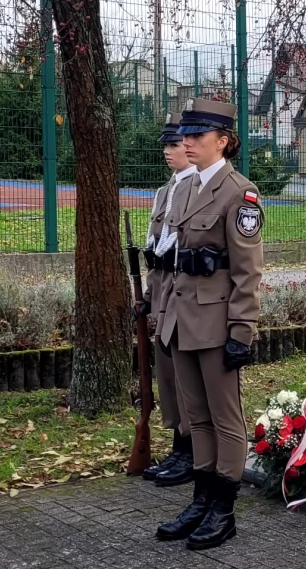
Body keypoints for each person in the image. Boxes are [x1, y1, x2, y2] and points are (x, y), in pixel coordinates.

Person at [154, 98, 263, 551]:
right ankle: (201, 498)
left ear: (223, 141)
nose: (188, 142)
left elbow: (247, 270)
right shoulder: (182, 188)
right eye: (187, 135)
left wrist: (242, 330)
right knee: (196, 417)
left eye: (198, 135)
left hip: (217, 324)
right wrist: (162, 316)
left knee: (224, 418)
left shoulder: (240, 192)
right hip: (181, 321)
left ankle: (223, 506)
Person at [139, 112, 197, 487]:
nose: (168, 151)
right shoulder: (165, 191)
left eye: (174, 144)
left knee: (185, 376)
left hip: (184, 297)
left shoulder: (197, 190)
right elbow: (155, 248)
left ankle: (190, 449)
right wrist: (147, 296)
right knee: (166, 374)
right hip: (162, 293)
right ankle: (178, 445)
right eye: (166, 144)